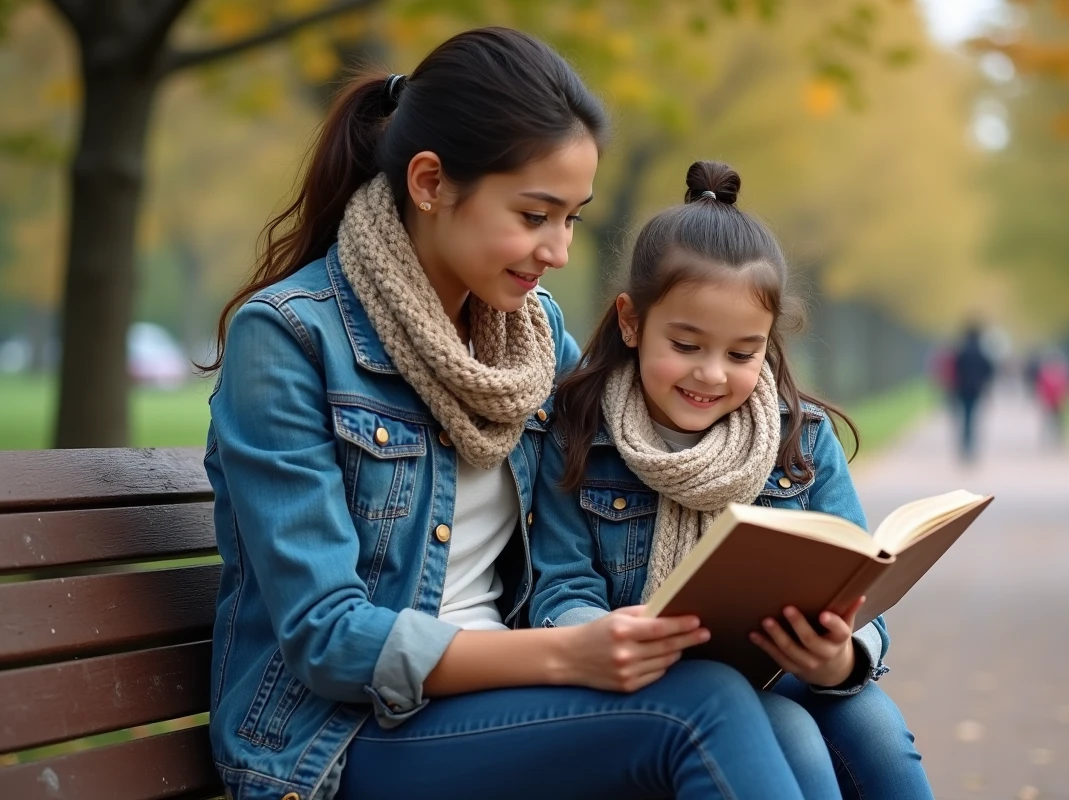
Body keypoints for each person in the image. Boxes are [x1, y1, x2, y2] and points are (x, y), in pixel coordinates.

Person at [203, 29, 810, 800]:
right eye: (534, 215)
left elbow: (632, 446)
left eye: (573, 219)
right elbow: (328, 639)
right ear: (429, 182)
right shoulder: (290, 338)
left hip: (506, 704)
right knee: (703, 712)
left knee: (792, 719)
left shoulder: (533, 337)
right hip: (344, 738)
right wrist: (567, 655)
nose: (557, 250)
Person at [530, 161, 933, 800]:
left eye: (742, 353)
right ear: (631, 322)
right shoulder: (579, 435)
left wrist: (839, 656)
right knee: (792, 734)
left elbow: (859, 589)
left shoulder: (802, 439)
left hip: (788, 669)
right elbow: (560, 587)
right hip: (655, 681)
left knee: (875, 726)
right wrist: (605, 629)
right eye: (686, 345)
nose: (712, 374)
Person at [950, 322, 994, 462]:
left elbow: (955, 369)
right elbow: (989, 369)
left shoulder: (962, 351)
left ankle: (965, 444)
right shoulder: (981, 352)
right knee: (973, 416)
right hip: (976, 389)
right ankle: (970, 445)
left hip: (962, 388)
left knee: (965, 416)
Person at [1035, 350, 1069, 446]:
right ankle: (1047, 439)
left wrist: (1065, 398)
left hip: (1058, 401)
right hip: (1049, 400)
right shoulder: (1047, 372)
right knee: (1048, 421)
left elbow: (1067, 387)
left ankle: (1058, 439)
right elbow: (1041, 386)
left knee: (1058, 422)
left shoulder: (1062, 372)